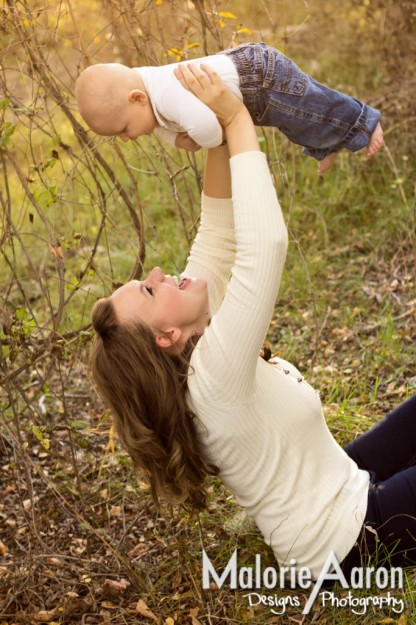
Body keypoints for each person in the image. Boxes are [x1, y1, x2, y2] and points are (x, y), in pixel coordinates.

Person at [90, 64, 415, 579]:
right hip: (349, 540)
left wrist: (211, 126)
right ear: (165, 336)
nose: (157, 272)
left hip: (344, 478)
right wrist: (239, 121)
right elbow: (266, 247)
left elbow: (217, 234)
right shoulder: (212, 376)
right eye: (149, 289)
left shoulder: (192, 347)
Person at [75, 42, 384, 174]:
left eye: (124, 130)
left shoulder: (165, 92)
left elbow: (208, 128)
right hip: (251, 88)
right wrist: (179, 139)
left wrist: (207, 139)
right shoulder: (148, 97)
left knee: (311, 107)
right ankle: (326, 146)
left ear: (137, 99)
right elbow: (166, 126)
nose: (128, 138)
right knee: (295, 122)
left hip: (261, 77)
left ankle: (365, 122)